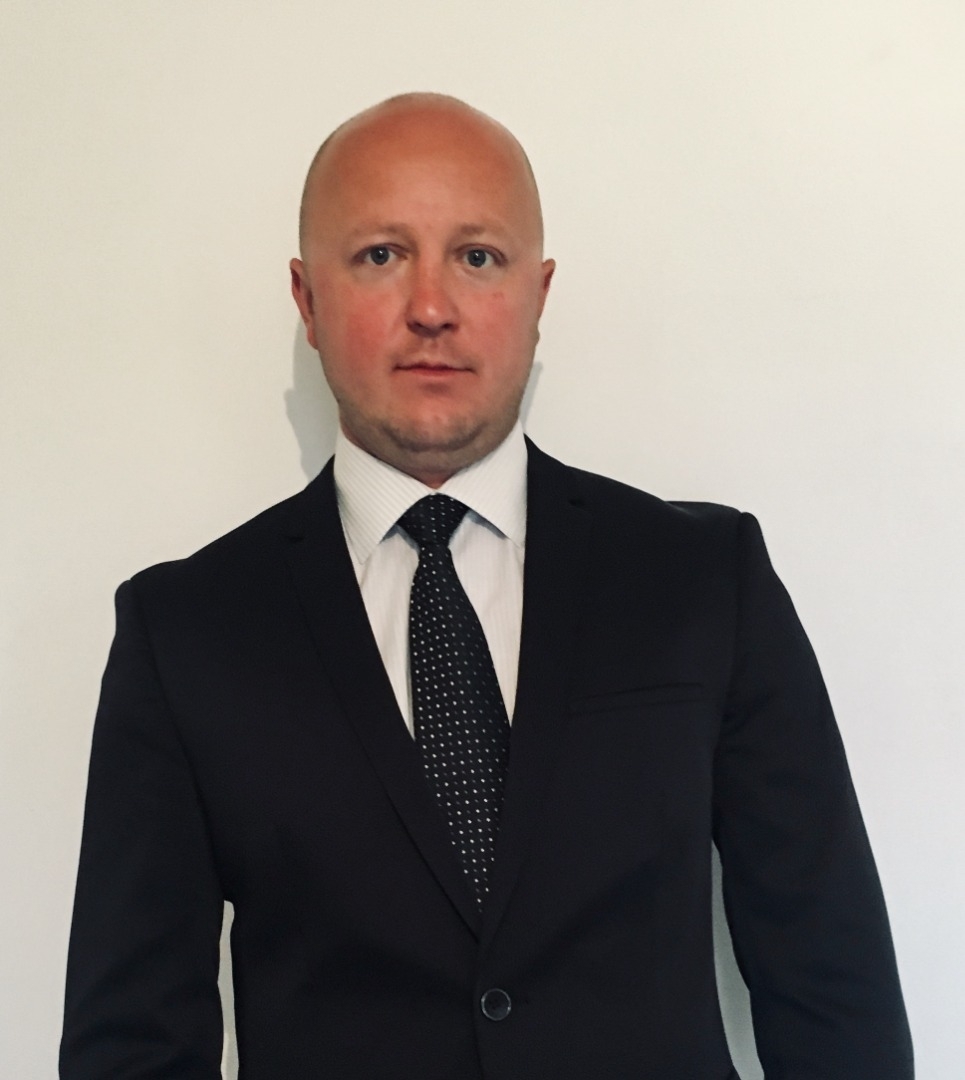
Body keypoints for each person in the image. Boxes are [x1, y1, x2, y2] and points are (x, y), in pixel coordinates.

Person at [61, 93, 913, 1079]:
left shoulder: (700, 581)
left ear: (538, 294)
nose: (431, 306)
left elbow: (829, 977)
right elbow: (131, 1041)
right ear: (306, 298)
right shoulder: (186, 632)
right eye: (380, 254)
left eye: (477, 256)